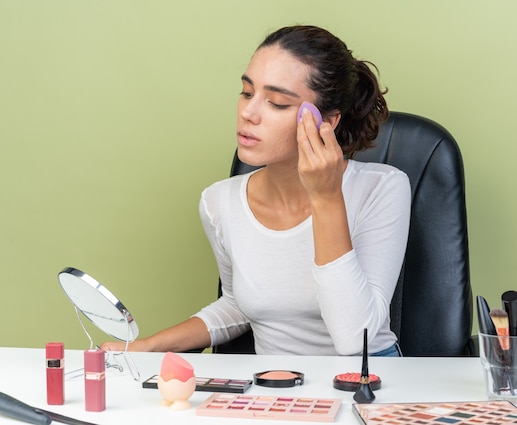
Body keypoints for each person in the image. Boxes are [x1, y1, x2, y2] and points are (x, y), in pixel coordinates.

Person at [101, 25, 410, 356]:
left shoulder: (383, 188)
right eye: (247, 93)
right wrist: (148, 346)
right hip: (275, 389)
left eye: (277, 103)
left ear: (328, 121)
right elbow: (240, 305)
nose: (248, 113)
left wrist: (326, 197)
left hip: (369, 385)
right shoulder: (219, 202)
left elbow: (355, 339)